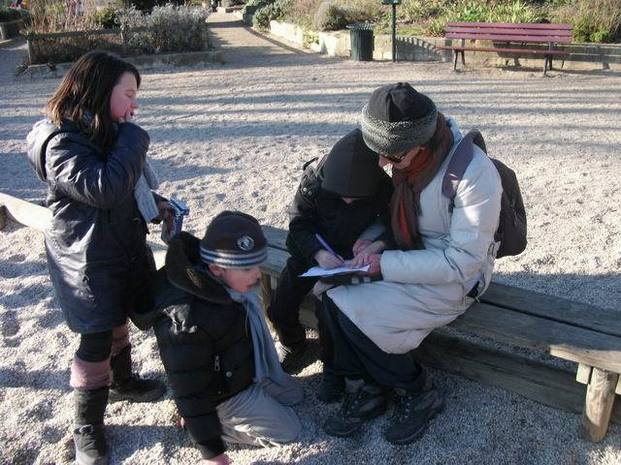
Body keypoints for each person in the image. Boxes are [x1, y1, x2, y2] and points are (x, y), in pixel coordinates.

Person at [320, 82, 503, 444]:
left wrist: (383, 264)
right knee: (328, 296)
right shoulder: (407, 158)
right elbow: (398, 216)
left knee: (355, 316)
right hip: (410, 254)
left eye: (393, 157)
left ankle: (418, 390)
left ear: (421, 143)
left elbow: (462, 263)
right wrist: (374, 240)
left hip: (457, 279)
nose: (383, 164)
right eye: (381, 154)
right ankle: (371, 387)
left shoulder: (473, 174)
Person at [26, 51, 169, 465]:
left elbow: (123, 188)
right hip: (85, 257)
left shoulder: (103, 130)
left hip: (120, 245)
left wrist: (155, 205)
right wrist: (133, 138)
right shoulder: (62, 141)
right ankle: (86, 427)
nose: (134, 105)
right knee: (95, 337)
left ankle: (123, 381)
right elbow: (102, 188)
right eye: (128, 94)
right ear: (98, 91)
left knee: (119, 317)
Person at [148, 211, 303, 465]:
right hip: (220, 395)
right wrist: (212, 451)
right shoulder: (188, 323)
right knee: (288, 430)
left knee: (296, 396)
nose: (257, 275)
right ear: (217, 268)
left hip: (243, 372)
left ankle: (252, 393)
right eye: (248, 268)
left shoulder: (235, 288)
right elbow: (191, 390)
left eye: (258, 264)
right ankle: (210, 424)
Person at [266, 128, 393, 401]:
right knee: (280, 304)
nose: (348, 200)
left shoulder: (383, 187)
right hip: (310, 254)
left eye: (355, 197)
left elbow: (395, 227)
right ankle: (294, 343)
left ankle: (332, 369)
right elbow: (298, 224)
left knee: (329, 313)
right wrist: (318, 254)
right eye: (341, 195)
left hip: (349, 260)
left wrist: (375, 244)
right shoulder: (314, 179)